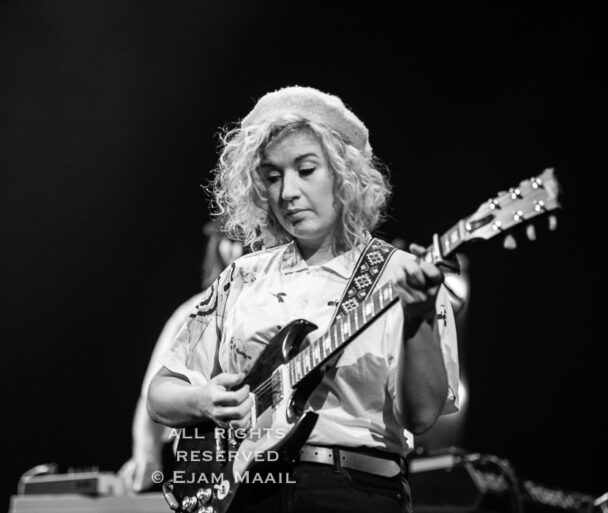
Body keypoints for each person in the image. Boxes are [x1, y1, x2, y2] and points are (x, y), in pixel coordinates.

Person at [147, 86, 460, 512]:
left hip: (355, 491)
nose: (287, 192)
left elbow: (422, 416)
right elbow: (160, 393)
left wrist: (418, 317)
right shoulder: (242, 276)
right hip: (246, 495)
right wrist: (202, 401)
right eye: (272, 177)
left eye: (305, 170)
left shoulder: (400, 274)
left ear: (344, 174)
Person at [119, 222, 243, 493]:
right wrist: (146, 455)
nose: (238, 250)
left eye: (245, 240)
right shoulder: (193, 311)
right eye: (229, 240)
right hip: (208, 462)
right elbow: (154, 391)